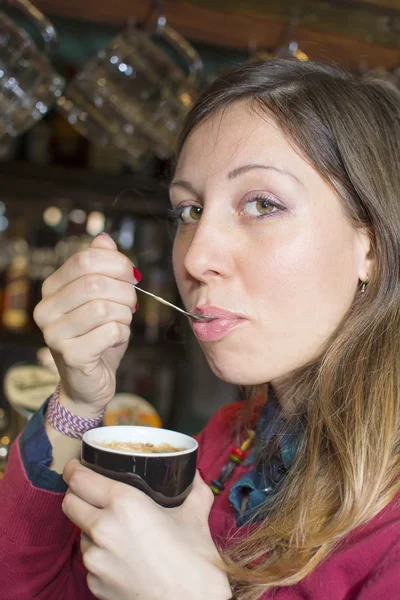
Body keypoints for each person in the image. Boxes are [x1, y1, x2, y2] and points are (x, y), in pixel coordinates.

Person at [1, 58, 400, 600]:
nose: (196, 257)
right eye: (189, 211)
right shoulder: (226, 444)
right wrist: (79, 397)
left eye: (262, 204)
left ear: (371, 244)